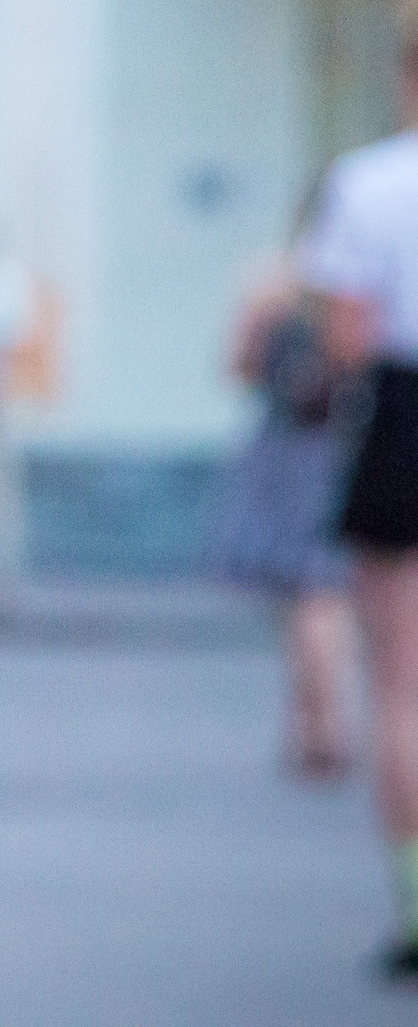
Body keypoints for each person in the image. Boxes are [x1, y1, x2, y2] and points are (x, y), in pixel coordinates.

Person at [300, 0, 418, 979]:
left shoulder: (372, 184)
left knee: (402, 689)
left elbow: (346, 335)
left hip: (403, 425)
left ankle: (416, 904)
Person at [214, 232, 355, 777]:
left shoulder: (268, 286)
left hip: (280, 448)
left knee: (302, 596)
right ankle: (323, 721)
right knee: (324, 593)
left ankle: (312, 722)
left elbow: (239, 368)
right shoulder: (346, 285)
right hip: (330, 448)